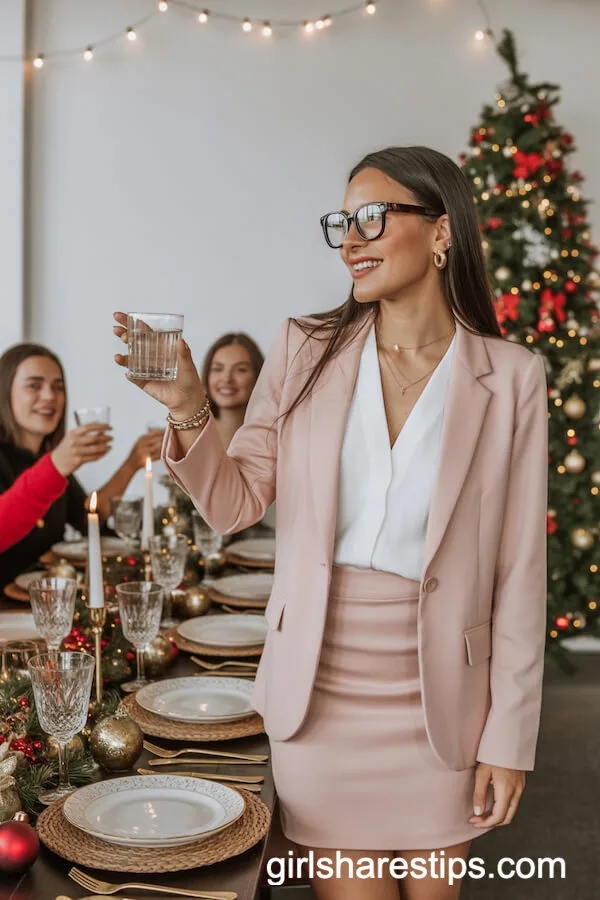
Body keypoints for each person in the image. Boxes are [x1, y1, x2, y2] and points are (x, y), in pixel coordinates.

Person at [113, 145, 548, 900]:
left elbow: (518, 573)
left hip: (445, 698)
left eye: (374, 218)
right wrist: (190, 407)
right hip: (321, 692)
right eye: (343, 222)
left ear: (442, 232)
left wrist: (510, 737)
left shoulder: (511, 377)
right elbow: (237, 501)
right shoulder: (304, 348)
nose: (352, 239)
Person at [0, 343, 164, 591]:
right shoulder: (49, 463)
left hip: (50, 603)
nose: (49, 396)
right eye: (34, 385)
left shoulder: (48, 459)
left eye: (58, 387)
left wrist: (132, 463)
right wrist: (56, 465)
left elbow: (89, 516)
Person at [199, 333, 275, 534]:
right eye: (217, 369)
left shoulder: (273, 436)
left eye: (240, 370)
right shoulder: (192, 433)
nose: (227, 379)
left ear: (258, 377)